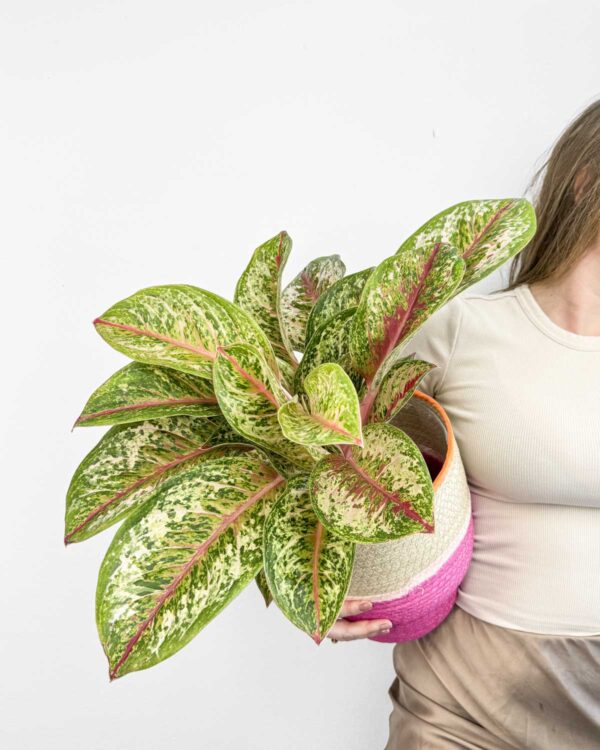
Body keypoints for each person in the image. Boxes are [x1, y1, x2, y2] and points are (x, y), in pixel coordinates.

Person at [327, 99, 600, 748]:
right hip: (464, 702)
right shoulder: (463, 334)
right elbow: (329, 461)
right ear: (586, 184)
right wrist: (317, 584)